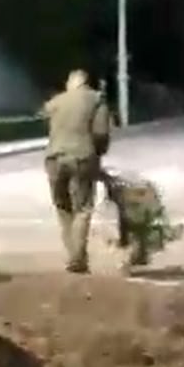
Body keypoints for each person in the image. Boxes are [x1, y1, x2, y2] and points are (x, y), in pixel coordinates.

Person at [40, 69, 113, 273]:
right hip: (81, 158)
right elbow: (100, 134)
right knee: (82, 208)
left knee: (63, 207)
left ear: (70, 84)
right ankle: (77, 258)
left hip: (53, 160)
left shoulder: (55, 102)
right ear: (86, 84)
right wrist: (97, 157)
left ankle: (74, 254)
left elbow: (46, 121)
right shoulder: (96, 100)